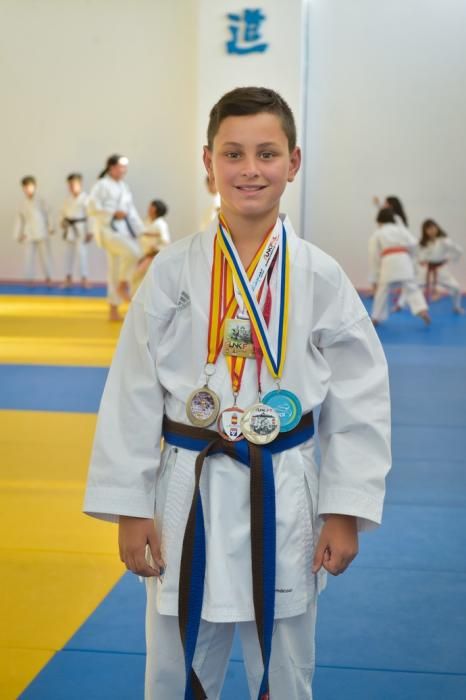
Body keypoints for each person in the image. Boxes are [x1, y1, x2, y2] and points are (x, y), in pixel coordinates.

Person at [84, 87, 391, 700]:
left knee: (286, 666)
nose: (250, 169)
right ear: (208, 162)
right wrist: (129, 505)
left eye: (267, 154)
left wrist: (345, 508)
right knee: (174, 667)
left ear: (294, 163)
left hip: (282, 488)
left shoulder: (320, 275)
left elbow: (361, 398)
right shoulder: (170, 271)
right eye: (233, 154)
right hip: (186, 490)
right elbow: (133, 393)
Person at [87, 154, 143, 321]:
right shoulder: (101, 185)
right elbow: (91, 207)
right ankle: (122, 284)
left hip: (122, 229)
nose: (124, 170)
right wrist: (112, 213)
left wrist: (142, 230)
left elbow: (131, 212)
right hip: (106, 230)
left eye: (125, 167)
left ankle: (113, 309)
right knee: (133, 252)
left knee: (114, 269)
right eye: (121, 166)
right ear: (111, 167)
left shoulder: (124, 187)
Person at [369, 207, 430, 325]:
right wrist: (411, 257)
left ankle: (376, 317)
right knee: (411, 287)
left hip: (388, 261)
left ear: (379, 221)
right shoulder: (401, 230)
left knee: (382, 290)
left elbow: (374, 255)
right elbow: (414, 243)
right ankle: (422, 310)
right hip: (404, 259)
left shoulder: (378, 233)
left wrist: (375, 276)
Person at [13, 175, 53, 284]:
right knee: (28, 257)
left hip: (42, 231)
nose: (28, 189)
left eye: (30, 186)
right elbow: (20, 220)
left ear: (35, 186)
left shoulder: (41, 200)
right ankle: (29, 279)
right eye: (25, 187)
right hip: (28, 233)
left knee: (45, 256)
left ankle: (49, 278)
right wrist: (18, 234)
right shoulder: (22, 203)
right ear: (23, 189)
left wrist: (50, 227)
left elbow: (48, 213)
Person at [418, 219, 464, 313]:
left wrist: (450, 258)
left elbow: (459, 250)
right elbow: (420, 255)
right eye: (428, 229)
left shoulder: (444, 240)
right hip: (427, 270)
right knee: (412, 286)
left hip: (441, 270)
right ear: (425, 231)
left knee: (456, 288)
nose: (431, 230)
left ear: (437, 227)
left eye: (433, 227)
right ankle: (406, 305)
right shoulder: (424, 243)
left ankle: (456, 307)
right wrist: (421, 260)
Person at [60, 173, 93, 288]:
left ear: (80, 184)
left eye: (73, 184)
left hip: (81, 229)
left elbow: (91, 216)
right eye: (69, 185)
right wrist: (62, 222)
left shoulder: (86, 198)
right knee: (68, 255)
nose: (71, 187)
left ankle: (84, 279)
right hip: (69, 228)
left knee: (82, 254)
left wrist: (90, 231)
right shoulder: (67, 199)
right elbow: (63, 213)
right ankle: (67, 278)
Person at [132, 199, 171, 291]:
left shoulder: (161, 224)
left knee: (145, 279)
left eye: (152, 207)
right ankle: (137, 301)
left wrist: (149, 235)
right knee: (137, 278)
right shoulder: (146, 222)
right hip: (145, 255)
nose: (149, 209)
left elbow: (165, 240)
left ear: (157, 210)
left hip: (154, 256)